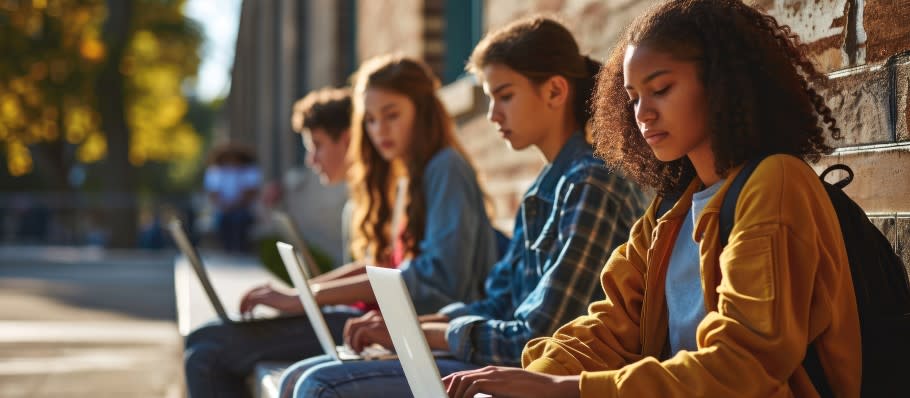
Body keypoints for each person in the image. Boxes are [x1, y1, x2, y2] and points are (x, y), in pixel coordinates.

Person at [443, 1, 862, 397]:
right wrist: (528, 380)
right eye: (633, 97)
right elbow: (607, 327)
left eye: (660, 88)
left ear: (722, 82)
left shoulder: (776, 184)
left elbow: (743, 366)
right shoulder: (670, 210)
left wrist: (564, 389)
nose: (642, 113)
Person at [278, 17, 648, 398]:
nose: (492, 115)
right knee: (300, 376)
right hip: (499, 357)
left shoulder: (589, 184)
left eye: (504, 96)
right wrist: (414, 326)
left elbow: (538, 336)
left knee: (318, 384)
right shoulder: (545, 188)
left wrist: (422, 331)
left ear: (554, 91)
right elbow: (498, 300)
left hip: (536, 373)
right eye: (489, 99)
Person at [185, 55, 498, 396]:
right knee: (207, 342)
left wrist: (306, 297)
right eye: (372, 120)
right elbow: (382, 269)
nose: (380, 131)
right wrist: (306, 294)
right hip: (388, 327)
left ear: (422, 112)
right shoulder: (411, 176)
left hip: (424, 332)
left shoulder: (445, 168)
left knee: (212, 352)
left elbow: (436, 279)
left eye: (392, 115)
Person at [203, 143, 261, 252]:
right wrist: (224, 206)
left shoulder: (248, 170)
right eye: (228, 159)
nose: (231, 162)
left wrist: (235, 205)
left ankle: (240, 250)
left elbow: (250, 193)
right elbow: (213, 193)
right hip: (223, 209)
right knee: (223, 222)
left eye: (235, 159)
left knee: (240, 220)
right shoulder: (215, 171)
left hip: (243, 208)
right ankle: (227, 250)